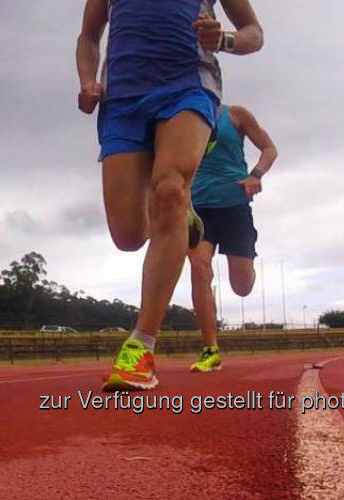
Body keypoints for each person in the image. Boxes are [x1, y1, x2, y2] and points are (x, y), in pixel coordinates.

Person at [76, 0, 263, 391]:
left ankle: (141, 346)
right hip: (123, 99)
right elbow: (89, 35)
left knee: (169, 188)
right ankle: (184, 217)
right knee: (127, 235)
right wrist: (88, 79)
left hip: (188, 86)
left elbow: (253, 33)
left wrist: (224, 39)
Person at [187, 104, 277, 372]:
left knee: (242, 286)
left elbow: (269, 149)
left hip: (234, 205)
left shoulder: (236, 115)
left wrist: (255, 174)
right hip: (197, 207)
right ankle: (209, 349)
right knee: (199, 267)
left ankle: (248, 260)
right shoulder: (181, 116)